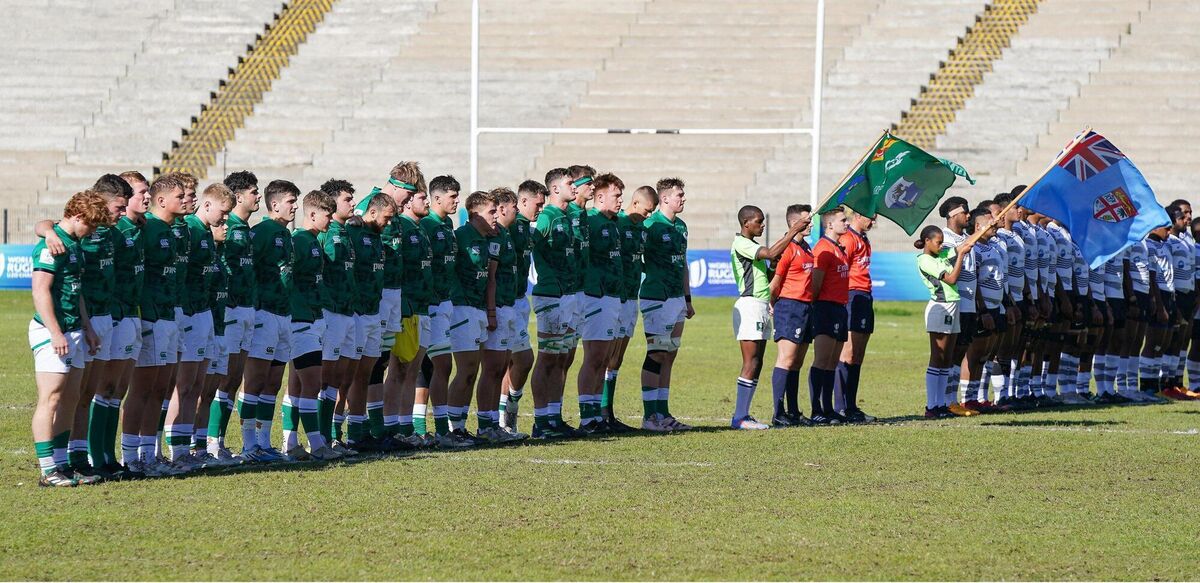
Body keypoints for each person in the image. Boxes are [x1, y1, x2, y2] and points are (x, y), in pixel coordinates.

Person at [29, 191, 109, 486]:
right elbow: (40, 290)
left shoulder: (74, 244)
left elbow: (77, 291)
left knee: (71, 399)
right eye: (91, 224)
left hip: (75, 330)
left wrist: (87, 327)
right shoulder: (50, 245)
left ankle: (62, 464)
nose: (93, 230)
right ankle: (48, 470)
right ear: (77, 217)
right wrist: (55, 332)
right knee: (51, 398)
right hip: (53, 331)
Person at [165, 182, 233, 469]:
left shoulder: (204, 231)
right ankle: (175, 450)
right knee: (184, 386)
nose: (226, 219)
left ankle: (192, 448)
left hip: (205, 312)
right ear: (207, 205)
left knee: (197, 386)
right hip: (188, 313)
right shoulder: (189, 229)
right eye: (223, 212)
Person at [125, 174, 187, 477]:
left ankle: (149, 453)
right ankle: (130, 456)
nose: (186, 200)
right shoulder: (145, 227)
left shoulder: (169, 229)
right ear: (162, 201)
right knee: (142, 389)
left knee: (161, 389)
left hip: (168, 315)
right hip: (150, 316)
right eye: (180, 196)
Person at [729, 204, 803, 430]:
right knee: (750, 361)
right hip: (750, 305)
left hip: (760, 305)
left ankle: (744, 415)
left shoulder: (752, 246)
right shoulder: (741, 243)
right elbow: (770, 252)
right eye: (759, 221)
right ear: (746, 223)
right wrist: (793, 231)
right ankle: (739, 417)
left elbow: (767, 271)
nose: (763, 225)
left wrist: (773, 267)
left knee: (758, 362)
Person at [242, 180, 299, 462]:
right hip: (264, 313)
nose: (295, 206)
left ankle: (264, 442)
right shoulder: (262, 232)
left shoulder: (286, 234)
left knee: (274, 381)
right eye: (290, 201)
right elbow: (248, 270)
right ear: (274, 204)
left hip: (284, 314)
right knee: (255, 380)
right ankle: (248, 444)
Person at [283, 190, 341, 460]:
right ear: (313, 214)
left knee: (299, 384)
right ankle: (317, 446)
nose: (330, 220)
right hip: (301, 320)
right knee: (311, 382)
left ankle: (291, 442)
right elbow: (286, 279)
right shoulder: (298, 241)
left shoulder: (313, 240)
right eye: (327, 215)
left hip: (314, 317)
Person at [638, 178, 693, 432]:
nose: (683, 199)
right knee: (656, 353)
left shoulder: (681, 226)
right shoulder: (650, 225)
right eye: (679, 195)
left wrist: (687, 298)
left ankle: (663, 412)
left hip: (676, 298)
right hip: (656, 297)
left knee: (669, 355)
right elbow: (635, 257)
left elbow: (683, 263)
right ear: (665, 198)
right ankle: (650, 416)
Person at [446, 190, 501, 444]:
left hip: (477, 308)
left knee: (472, 370)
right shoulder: (460, 237)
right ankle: (453, 427)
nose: (495, 216)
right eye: (491, 212)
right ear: (475, 214)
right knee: (466, 369)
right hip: (462, 308)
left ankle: (461, 426)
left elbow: (489, 278)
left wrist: (489, 310)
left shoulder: (486, 239)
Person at [529, 168, 581, 438]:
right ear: (555, 189)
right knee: (547, 359)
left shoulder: (567, 216)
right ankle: (540, 423)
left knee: (561, 359)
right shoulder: (546, 217)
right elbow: (531, 246)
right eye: (570, 183)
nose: (575, 187)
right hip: (551, 295)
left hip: (568, 294)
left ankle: (554, 417)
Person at [600, 185, 656, 431]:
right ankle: (600, 411)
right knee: (607, 355)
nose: (648, 216)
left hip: (632, 297)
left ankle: (608, 412)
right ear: (635, 203)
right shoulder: (618, 224)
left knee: (618, 357)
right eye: (647, 211)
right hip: (615, 297)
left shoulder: (642, 229)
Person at [373, 163, 421, 444]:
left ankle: (387, 428)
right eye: (409, 194)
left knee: (384, 363)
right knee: (371, 365)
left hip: (395, 295)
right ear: (396, 187)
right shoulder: (370, 207)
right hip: (377, 296)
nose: (409, 201)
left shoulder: (398, 217)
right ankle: (363, 429)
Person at [344, 188, 396, 449]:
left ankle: (358, 433)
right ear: (372, 212)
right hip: (356, 313)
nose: (389, 224)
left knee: (365, 374)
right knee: (347, 376)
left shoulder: (377, 236)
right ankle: (337, 434)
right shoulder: (353, 231)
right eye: (386, 218)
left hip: (374, 311)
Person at [420, 175, 468, 447]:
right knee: (442, 364)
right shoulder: (426, 225)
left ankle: (426, 428)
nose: (457, 201)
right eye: (452, 196)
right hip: (432, 303)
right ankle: (440, 429)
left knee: (430, 366)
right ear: (436, 198)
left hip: (445, 301)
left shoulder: (447, 224)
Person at [474, 187, 526, 441]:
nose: (495, 216)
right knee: (492, 369)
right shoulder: (494, 237)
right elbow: (491, 277)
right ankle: (485, 425)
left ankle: (494, 424)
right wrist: (492, 311)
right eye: (492, 211)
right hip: (498, 308)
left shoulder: (505, 234)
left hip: (508, 305)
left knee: (500, 367)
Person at [577, 173, 627, 433]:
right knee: (594, 357)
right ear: (599, 196)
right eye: (616, 196)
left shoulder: (613, 223)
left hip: (612, 296)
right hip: (595, 296)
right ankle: (587, 419)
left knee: (604, 357)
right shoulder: (591, 222)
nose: (620, 200)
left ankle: (596, 415)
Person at [218, 170, 260, 461]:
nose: (258, 196)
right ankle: (209, 442)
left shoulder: (246, 229)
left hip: (247, 307)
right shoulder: (226, 227)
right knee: (224, 378)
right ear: (238, 196)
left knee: (234, 379)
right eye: (254, 191)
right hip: (231, 308)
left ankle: (220, 442)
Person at [499, 180, 546, 431]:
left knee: (512, 360)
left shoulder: (527, 227)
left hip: (519, 299)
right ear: (523, 201)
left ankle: (506, 414)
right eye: (537, 204)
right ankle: (507, 412)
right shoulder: (511, 226)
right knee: (521, 359)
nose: (540, 209)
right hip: (505, 301)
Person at [317, 179, 359, 454]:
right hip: (330, 312)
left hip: (348, 312)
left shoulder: (347, 233)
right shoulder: (323, 234)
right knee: (326, 377)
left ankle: (334, 434)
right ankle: (320, 437)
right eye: (347, 199)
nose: (353, 203)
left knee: (343, 377)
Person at [916, 225, 974, 418]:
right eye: (938, 242)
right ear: (927, 241)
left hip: (953, 305)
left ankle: (941, 404)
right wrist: (961, 256)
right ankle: (932, 406)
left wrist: (984, 228)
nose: (941, 246)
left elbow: (964, 245)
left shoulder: (940, 254)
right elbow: (951, 279)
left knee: (947, 359)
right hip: (941, 307)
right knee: (937, 358)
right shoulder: (925, 260)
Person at [768, 204, 815, 426]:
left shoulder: (806, 247)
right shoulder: (787, 248)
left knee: (796, 362)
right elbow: (774, 283)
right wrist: (771, 303)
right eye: (806, 221)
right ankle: (778, 413)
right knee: (786, 360)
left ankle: (794, 412)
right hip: (789, 306)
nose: (811, 224)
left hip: (806, 307)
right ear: (794, 224)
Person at [807, 207, 852, 425]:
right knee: (822, 360)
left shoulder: (839, 247)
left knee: (832, 362)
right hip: (826, 308)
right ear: (830, 224)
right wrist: (816, 307)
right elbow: (815, 284)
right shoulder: (823, 248)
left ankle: (828, 408)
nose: (847, 223)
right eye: (843, 220)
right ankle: (816, 410)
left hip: (840, 308)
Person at [834, 209, 878, 423]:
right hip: (852, 295)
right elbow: (841, 270)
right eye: (871, 217)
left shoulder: (864, 239)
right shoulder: (848, 239)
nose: (874, 221)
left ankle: (851, 406)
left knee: (858, 355)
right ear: (858, 216)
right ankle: (840, 407)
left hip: (865, 296)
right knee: (848, 353)